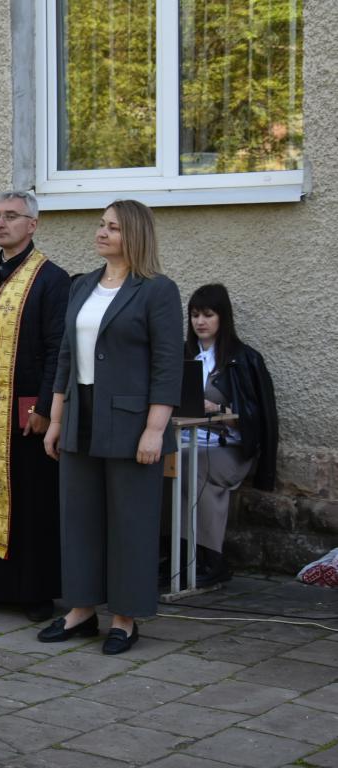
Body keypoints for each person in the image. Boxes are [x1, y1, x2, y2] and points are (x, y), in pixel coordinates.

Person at [39, 199, 183, 655]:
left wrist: (155, 429)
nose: (101, 233)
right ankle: (81, 610)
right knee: (78, 517)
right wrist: (55, 419)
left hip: (130, 420)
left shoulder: (157, 290)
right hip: (79, 414)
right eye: (101, 225)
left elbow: (167, 366)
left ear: (134, 234)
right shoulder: (82, 285)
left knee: (130, 522)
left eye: (113, 228)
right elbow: (65, 357)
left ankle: (125, 618)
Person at [0, 191, 70, 622]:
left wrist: (45, 406)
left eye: (11, 216)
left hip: (25, 412)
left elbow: (58, 348)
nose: (1, 224)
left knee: (29, 498)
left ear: (32, 225)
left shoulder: (51, 279)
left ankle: (32, 592)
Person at [181, 283, 278, 587]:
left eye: (208, 315)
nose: (200, 322)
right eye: (195, 315)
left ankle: (211, 559)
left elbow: (259, 418)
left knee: (194, 464)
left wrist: (218, 408)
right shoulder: (183, 355)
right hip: (186, 440)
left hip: (231, 447)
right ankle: (176, 555)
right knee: (165, 461)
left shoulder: (244, 359)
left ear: (223, 317)